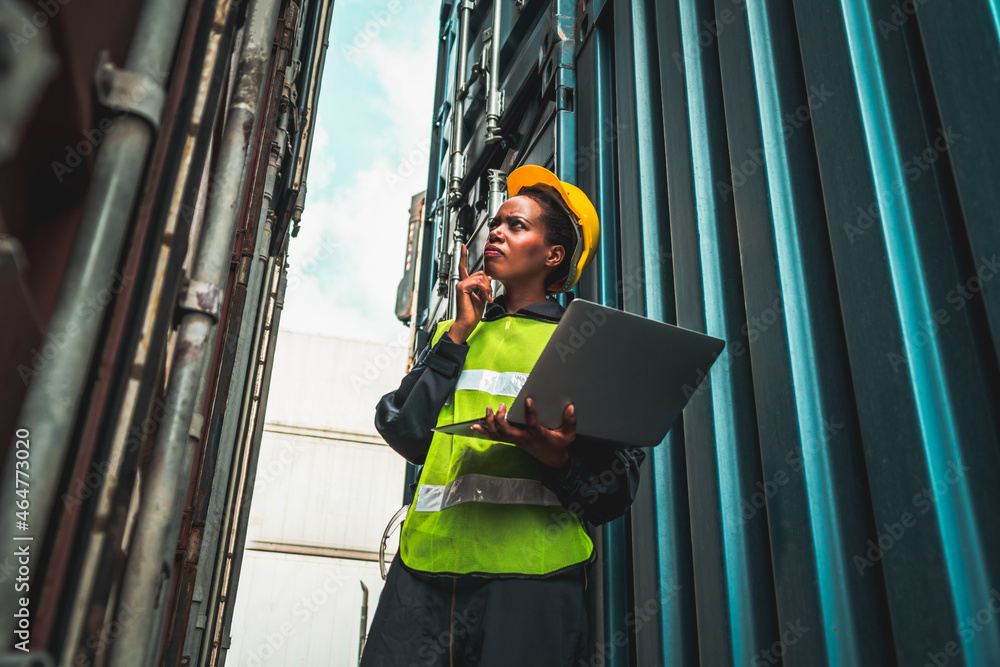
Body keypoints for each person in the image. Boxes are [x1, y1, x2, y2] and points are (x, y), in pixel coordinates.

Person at [361, 165, 646, 667]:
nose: (495, 231)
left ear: (553, 255)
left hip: (531, 582)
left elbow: (615, 491)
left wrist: (556, 459)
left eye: (517, 225)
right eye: (497, 222)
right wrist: (457, 337)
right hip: (426, 574)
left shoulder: (581, 341)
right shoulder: (454, 331)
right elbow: (403, 429)